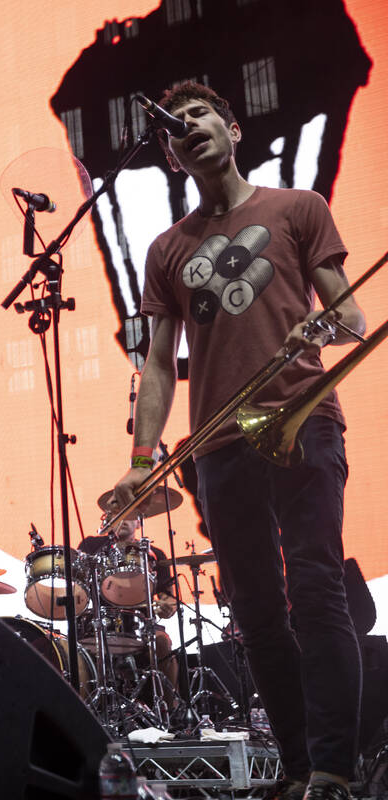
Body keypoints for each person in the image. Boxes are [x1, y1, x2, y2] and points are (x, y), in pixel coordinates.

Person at [111, 81, 365, 800]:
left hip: (302, 416)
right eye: (175, 126)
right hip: (220, 441)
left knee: (315, 589)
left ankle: (333, 769)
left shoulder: (297, 208)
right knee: (254, 610)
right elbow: (158, 365)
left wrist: (322, 325)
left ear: (231, 130)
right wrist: (140, 458)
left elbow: (351, 316)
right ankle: (294, 768)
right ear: (169, 154)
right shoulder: (166, 248)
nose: (187, 127)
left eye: (200, 116)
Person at [78, 518, 180, 700]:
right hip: (100, 623)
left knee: (163, 642)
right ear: (107, 518)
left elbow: (169, 599)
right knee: (76, 650)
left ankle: (170, 711)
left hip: (142, 625)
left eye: (129, 514)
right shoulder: (92, 545)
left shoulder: (154, 553)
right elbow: (78, 582)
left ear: (139, 523)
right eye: (118, 513)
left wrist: (167, 607)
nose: (123, 519)